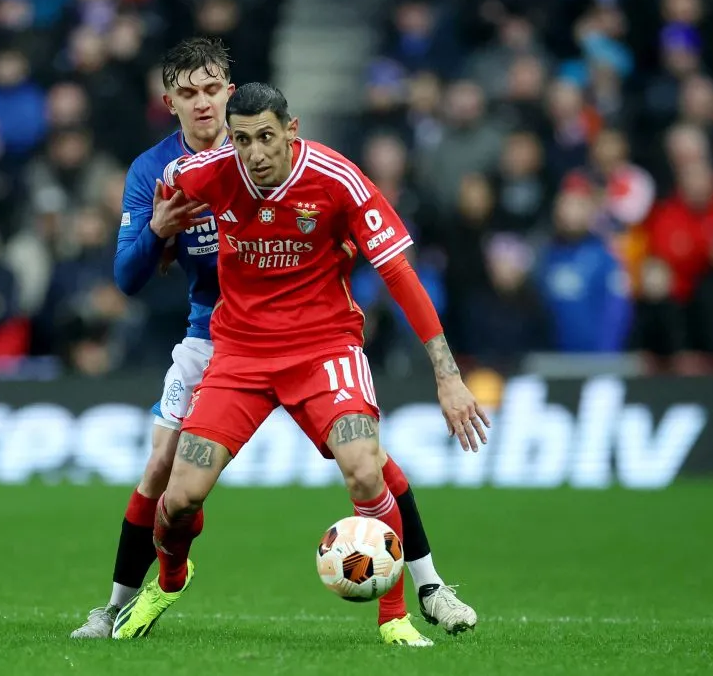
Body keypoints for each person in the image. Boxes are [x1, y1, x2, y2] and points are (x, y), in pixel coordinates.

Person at [109, 82, 490, 647]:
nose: (255, 153)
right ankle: (169, 578)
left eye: (266, 136)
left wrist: (448, 374)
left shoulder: (338, 180)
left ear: (292, 130)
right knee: (180, 496)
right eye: (242, 141)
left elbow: (399, 274)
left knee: (364, 465)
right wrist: (160, 240)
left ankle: (395, 617)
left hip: (323, 348)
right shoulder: (205, 172)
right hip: (238, 353)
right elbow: (153, 234)